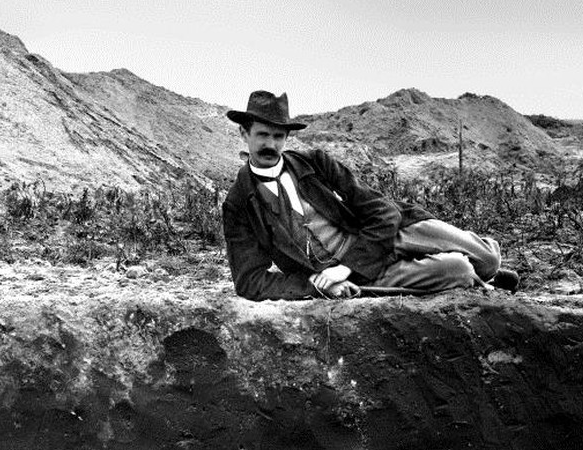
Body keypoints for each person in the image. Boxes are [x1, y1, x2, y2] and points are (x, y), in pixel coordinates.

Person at [221, 90, 519, 301]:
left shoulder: (316, 163)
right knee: (458, 269)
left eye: (278, 136)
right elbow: (249, 281)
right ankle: (478, 280)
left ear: (287, 138)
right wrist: (316, 284)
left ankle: (487, 271)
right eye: (262, 135)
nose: (271, 145)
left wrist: (346, 265)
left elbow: (383, 213)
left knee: (488, 258)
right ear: (244, 135)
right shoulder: (239, 203)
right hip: (358, 276)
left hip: (387, 234)